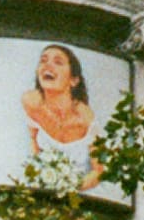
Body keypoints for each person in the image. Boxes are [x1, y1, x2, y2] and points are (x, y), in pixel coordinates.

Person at [20, 43, 102, 190]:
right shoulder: (31, 102)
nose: (47, 66)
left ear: (73, 80)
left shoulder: (85, 117)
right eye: (43, 61)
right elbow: (34, 147)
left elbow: (100, 171)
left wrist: (69, 189)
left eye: (58, 62)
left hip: (82, 194)